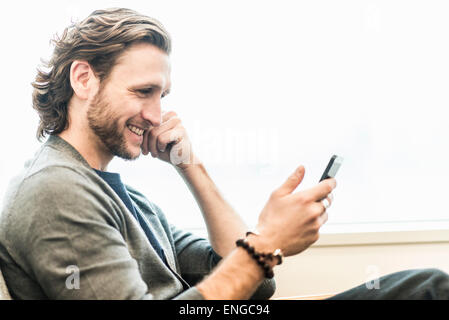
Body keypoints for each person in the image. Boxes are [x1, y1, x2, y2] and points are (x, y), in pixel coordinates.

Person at [0, 7, 448, 300]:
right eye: (143, 92)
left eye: (163, 95)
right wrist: (266, 244)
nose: (158, 115)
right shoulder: (54, 190)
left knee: (429, 286)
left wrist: (191, 168)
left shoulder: (123, 195)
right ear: (83, 80)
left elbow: (254, 285)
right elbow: (252, 262)